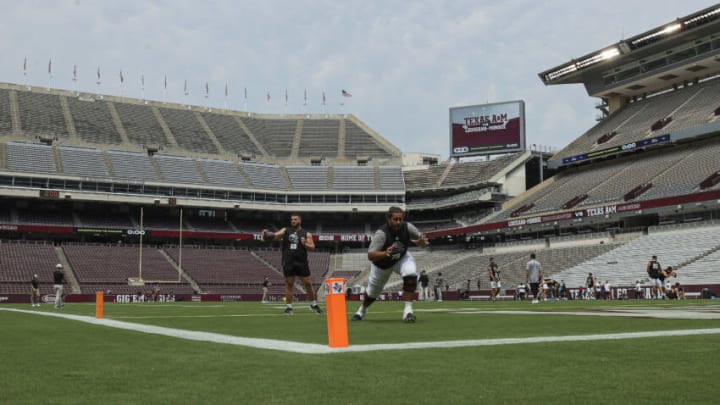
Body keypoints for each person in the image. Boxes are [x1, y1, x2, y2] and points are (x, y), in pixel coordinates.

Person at [351, 206, 429, 322]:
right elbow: (370, 255)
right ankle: (362, 309)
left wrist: (422, 243)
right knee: (373, 292)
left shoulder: (408, 227)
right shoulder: (381, 234)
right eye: (395, 219)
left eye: (400, 219)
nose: (398, 222)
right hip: (382, 264)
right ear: (388, 219)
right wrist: (384, 254)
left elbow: (423, 242)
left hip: (400, 258)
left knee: (411, 273)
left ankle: (408, 311)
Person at [262, 213, 323, 315]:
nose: (293, 221)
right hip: (288, 261)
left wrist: (305, 244)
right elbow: (275, 236)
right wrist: (266, 234)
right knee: (289, 284)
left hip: (301, 262)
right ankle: (289, 307)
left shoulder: (306, 234)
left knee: (308, 284)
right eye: (292, 220)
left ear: (300, 221)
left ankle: (313, 304)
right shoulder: (286, 230)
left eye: (295, 219)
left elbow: (312, 247)